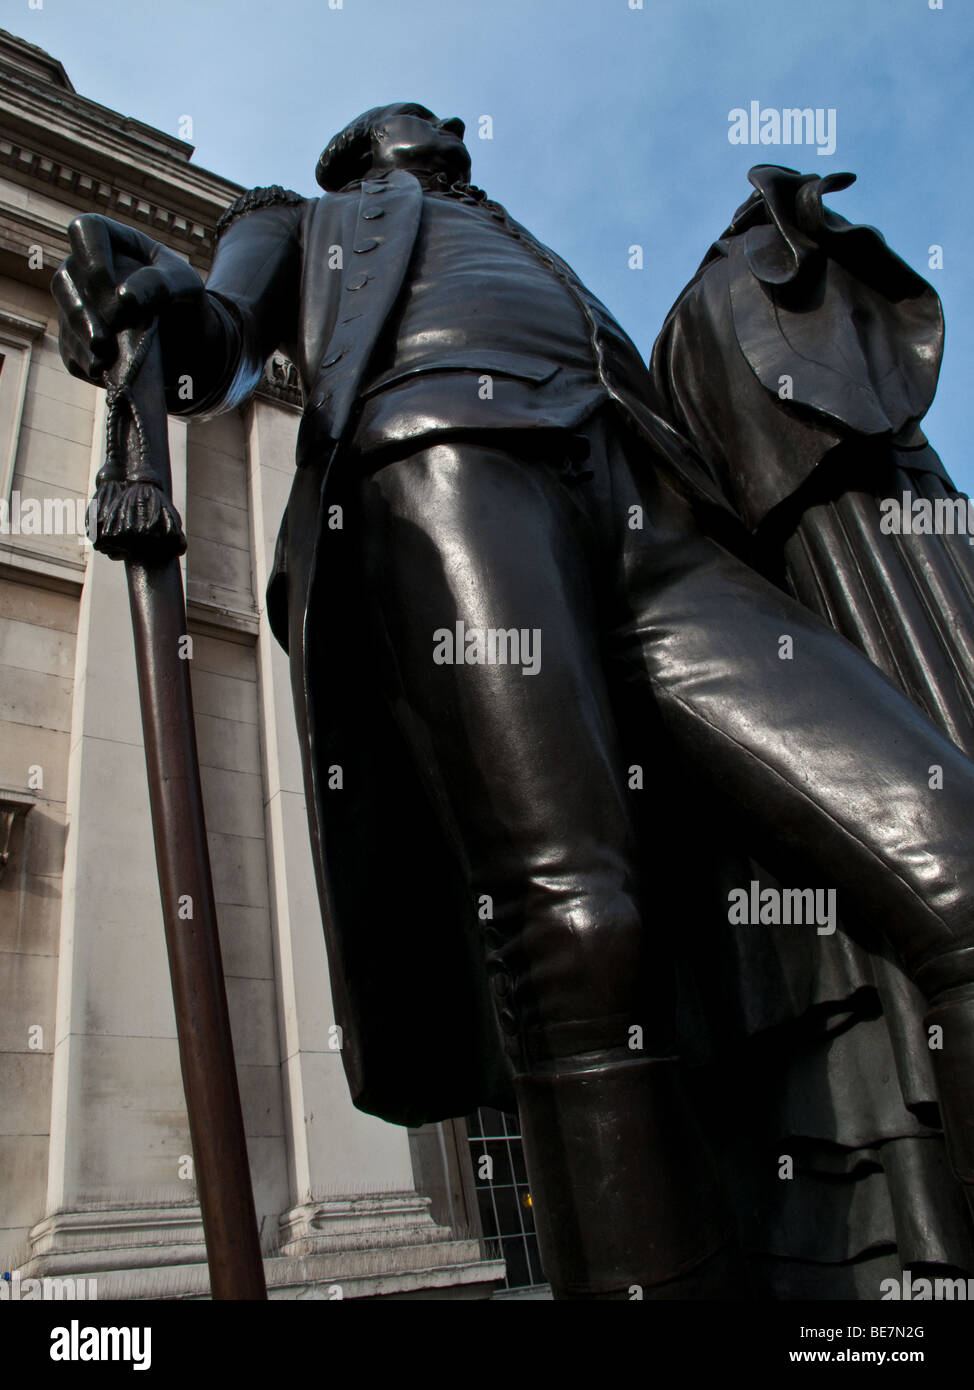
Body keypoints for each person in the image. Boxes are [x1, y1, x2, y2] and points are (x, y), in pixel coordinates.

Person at [53, 103, 974, 1300]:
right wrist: (159, 304)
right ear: (357, 157)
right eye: (411, 120)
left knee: (945, 844)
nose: (441, 125)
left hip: (665, 529)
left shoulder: (530, 243)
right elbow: (222, 337)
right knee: (577, 929)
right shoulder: (305, 219)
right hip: (445, 456)